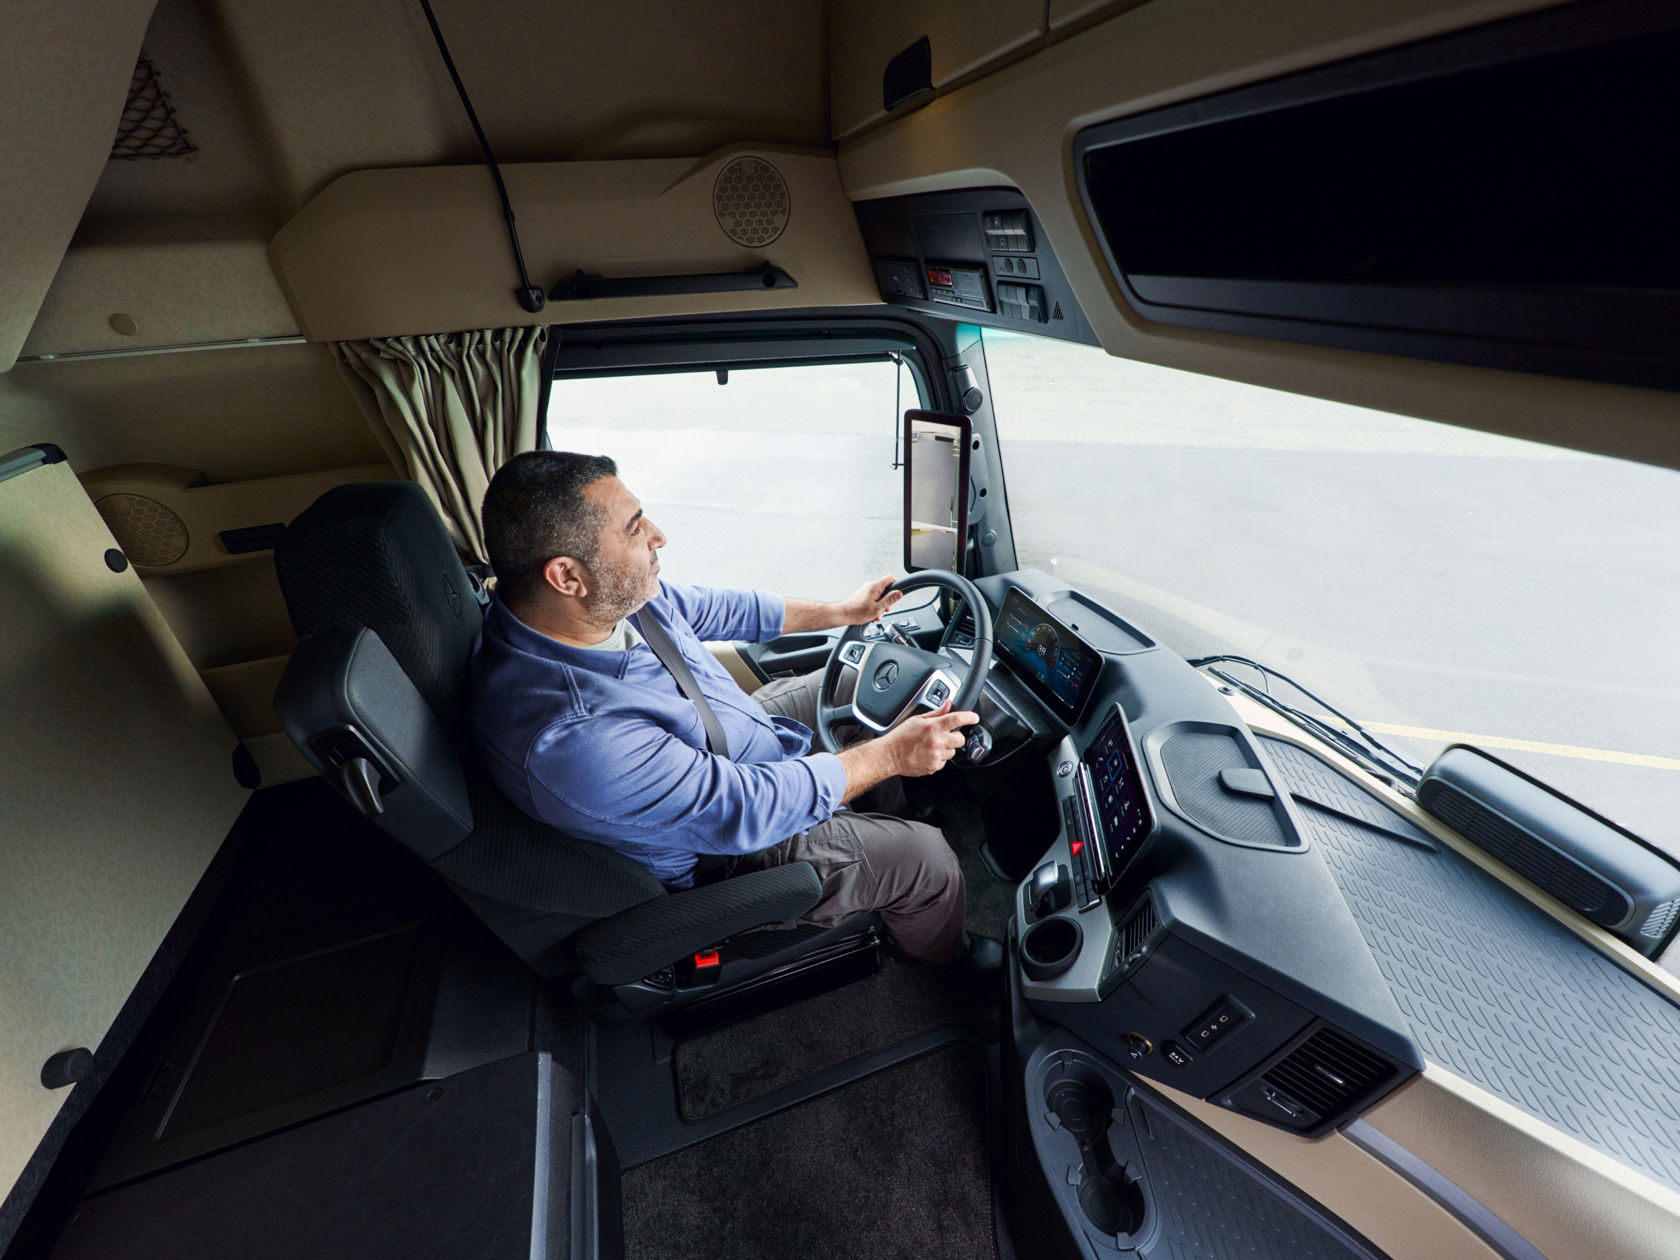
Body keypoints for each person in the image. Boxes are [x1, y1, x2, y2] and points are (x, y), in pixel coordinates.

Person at [469, 450, 1003, 984]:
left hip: (726, 737)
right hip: (730, 849)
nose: (657, 535)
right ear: (567, 575)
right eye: (634, 529)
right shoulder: (573, 736)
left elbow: (718, 608)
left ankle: (883, 819)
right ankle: (938, 950)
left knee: (858, 681)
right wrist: (890, 755)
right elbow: (745, 808)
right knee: (925, 858)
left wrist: (843, 613)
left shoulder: (606, 603)